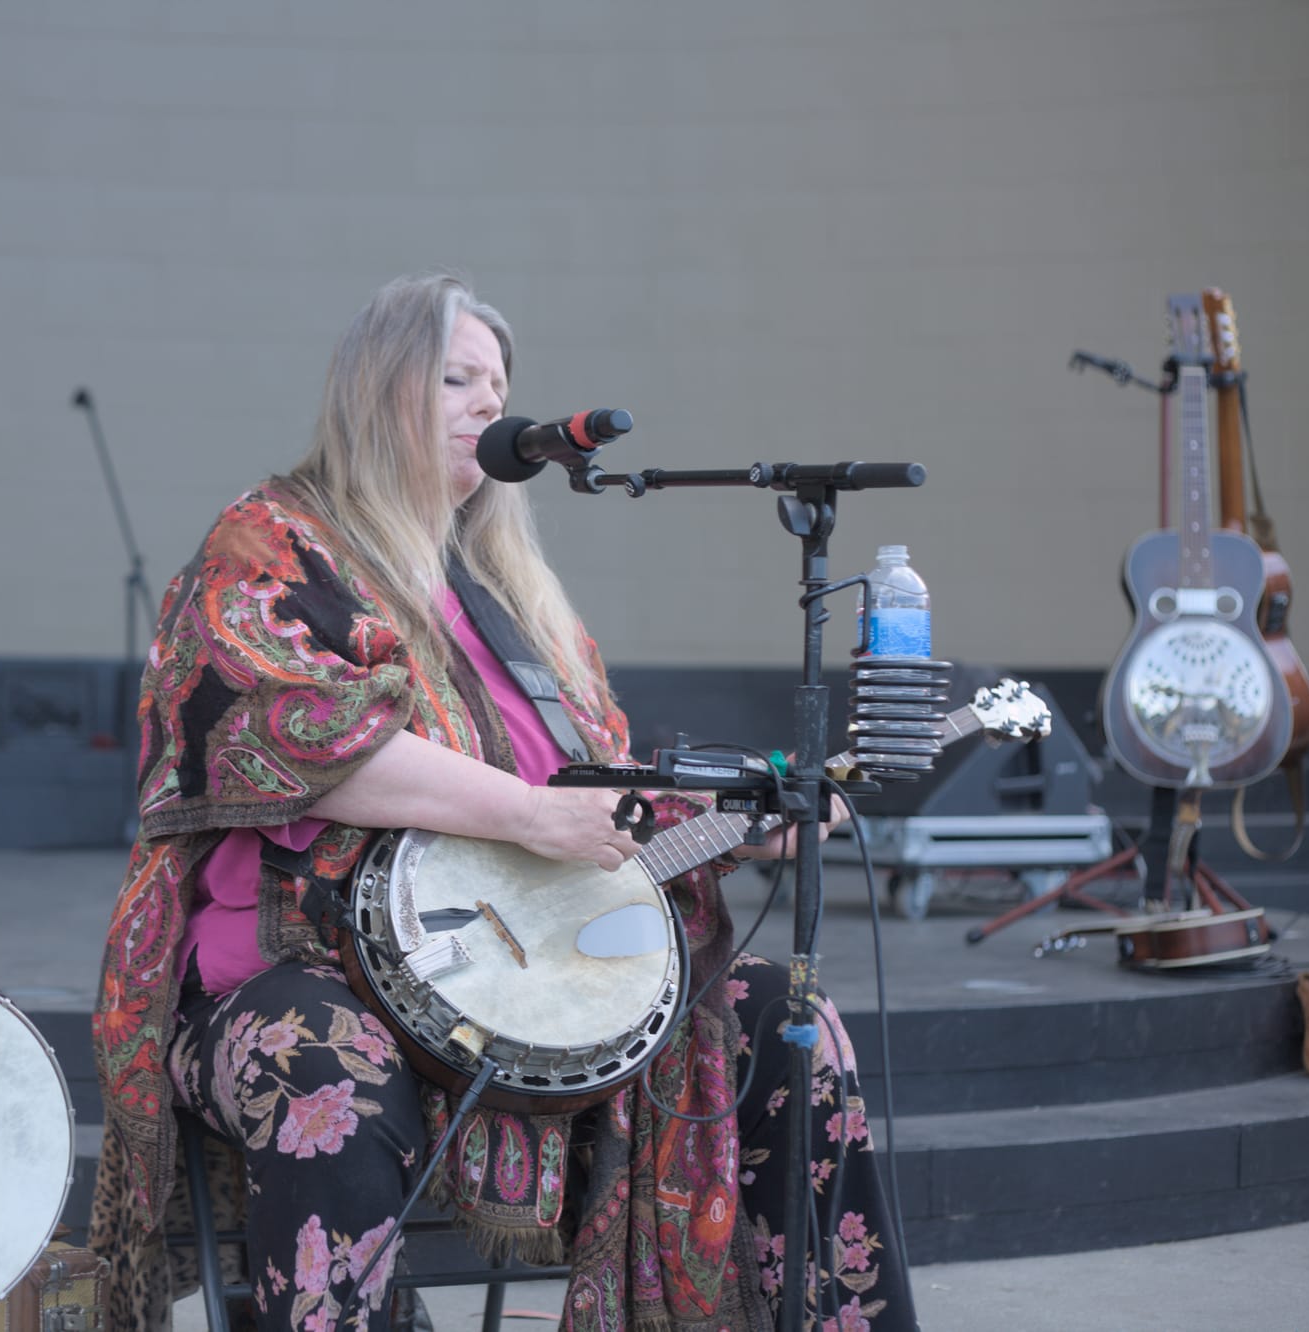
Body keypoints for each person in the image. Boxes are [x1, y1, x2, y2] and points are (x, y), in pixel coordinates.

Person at [88, 273, 918, 1332]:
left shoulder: (512, 601)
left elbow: (595, 798)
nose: (490, 403)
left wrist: (742, 822)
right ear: (377, 391)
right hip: (301, 968)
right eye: (456, 379)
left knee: (785, 1020)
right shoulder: (271, 543)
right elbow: (296, 736)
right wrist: (526, 816)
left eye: (499, 384)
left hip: (532, 974)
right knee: (325, 1066)